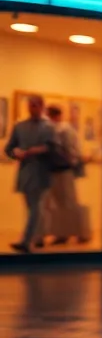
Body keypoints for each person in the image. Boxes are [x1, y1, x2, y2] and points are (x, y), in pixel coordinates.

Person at [4, 95, 55, 252]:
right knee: (31, 208)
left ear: (41, 106)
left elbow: (53, 148)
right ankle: (36, 237)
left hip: (41, 171)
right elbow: (8, 149)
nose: (32, 108)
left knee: (35, 207)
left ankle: (27, 240)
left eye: (35, 105)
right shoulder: (20, 126)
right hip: (25, 171)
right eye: (30, 105)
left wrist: (39, 150)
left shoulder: (49, 127)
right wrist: (15, 152)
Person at [41, 105, 91, 247]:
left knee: (69, 203)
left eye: (49, 115)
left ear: (55, 116)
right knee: (58, 204)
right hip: (55, 170)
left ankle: (82, 233)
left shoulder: (65, 129)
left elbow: (70, 151)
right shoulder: (55, 130)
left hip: (64, 170)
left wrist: (71, 161)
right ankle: (62, 234)